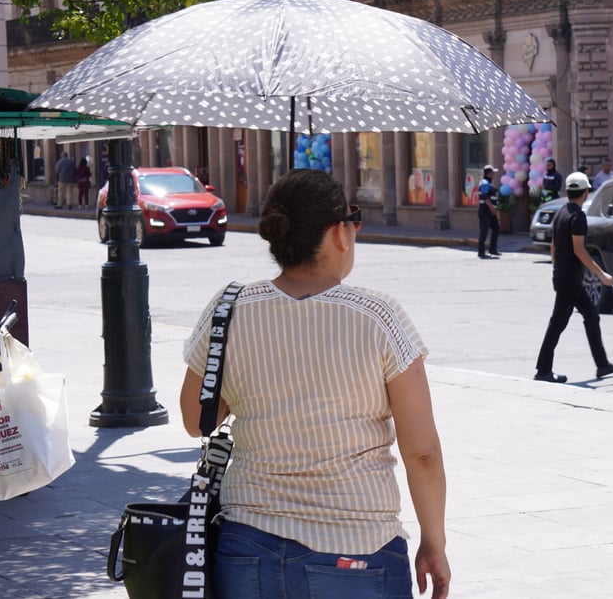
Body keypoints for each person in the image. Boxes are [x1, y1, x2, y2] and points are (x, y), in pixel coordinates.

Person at [180, 169, 450, 599]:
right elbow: (422, 452)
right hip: (358, 548)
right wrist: (434, 542)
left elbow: (196, 420)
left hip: (248, 543)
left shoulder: (229, 309)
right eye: (353, 220)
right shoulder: (378, 316)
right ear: (337, 234)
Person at [534, 171, 613, 384]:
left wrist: (557, 270)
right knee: (557, 323)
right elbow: (579, 250)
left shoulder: (562, 212)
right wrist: (601, 274)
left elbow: (554, 247)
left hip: (566, 277)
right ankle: (543, 369)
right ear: (585, 193)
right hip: (570, 279)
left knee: (591, 315)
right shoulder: (577, 217)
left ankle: (602, 365)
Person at [477, 164, 501, 259]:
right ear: (488, 173)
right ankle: (481, 251)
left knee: (496, 228)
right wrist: (492, 208)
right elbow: (485, 196)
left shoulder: (489, 183)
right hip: (485, 210)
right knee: (484, 230)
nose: (494, 174)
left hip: (490, 211)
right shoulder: (484, 183)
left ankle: (492, 249)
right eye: (492, 173)